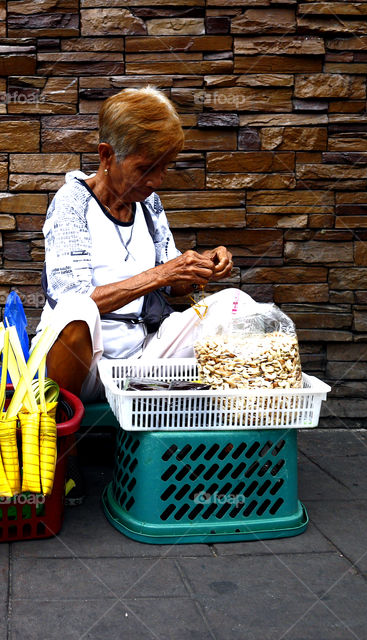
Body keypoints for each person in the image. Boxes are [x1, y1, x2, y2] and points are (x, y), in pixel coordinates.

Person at [35, 86, 243, 404]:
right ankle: (62, 432)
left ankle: (229, 433)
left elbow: (173, 284)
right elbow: (72, 301)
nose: (157, 180)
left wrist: (201, 266)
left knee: (231, 304)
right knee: (76, 311)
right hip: (83, 369)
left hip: (141, 359)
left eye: (164, 167)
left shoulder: (148, 203)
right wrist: (162, 274)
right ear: (107, 155)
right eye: (146, 168)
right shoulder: (73, 201)